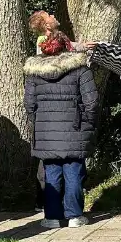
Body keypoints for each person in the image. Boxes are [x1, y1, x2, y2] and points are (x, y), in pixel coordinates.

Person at [24, 32, 99, 229]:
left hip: (46, 131)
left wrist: (39, 124)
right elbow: (92, 102)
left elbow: (29, 105)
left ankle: (52, 218)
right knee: (74, 171)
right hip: (75, 128)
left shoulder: (34, 72)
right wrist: (88, 123)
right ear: (67, 47)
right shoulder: (80, 70)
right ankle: (74, 216)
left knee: (52, 173)